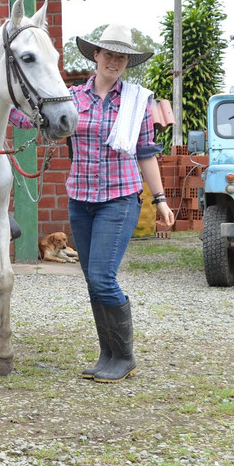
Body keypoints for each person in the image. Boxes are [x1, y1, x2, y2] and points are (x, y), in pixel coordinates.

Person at [66, 24, 175, 382]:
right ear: (95, 55)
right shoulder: (73, 97)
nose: (113, 61)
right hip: (80, 200)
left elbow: (145, 152)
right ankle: (107, 354)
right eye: (108, 53)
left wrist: (160, 199)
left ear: (127, 62)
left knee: (102, 277)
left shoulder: (137, 101)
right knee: (92, 280)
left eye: (121, 56)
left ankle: (124, 356)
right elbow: (36, 120)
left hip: (119, 198)